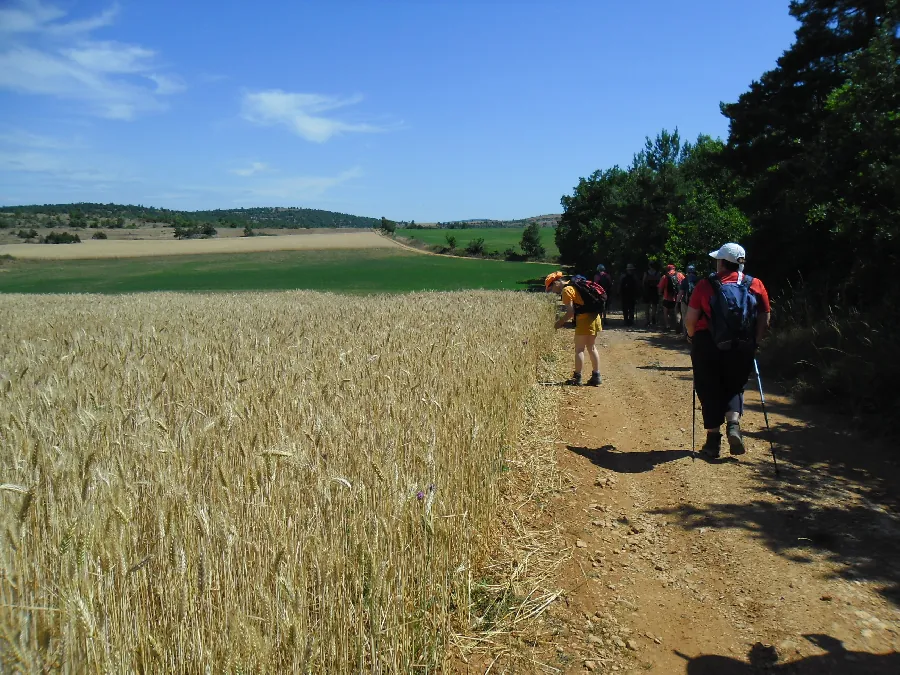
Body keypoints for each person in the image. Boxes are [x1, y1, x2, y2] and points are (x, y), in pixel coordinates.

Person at [684, 243, 771, 458]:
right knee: (735, 385)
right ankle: (733, 425)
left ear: (722, 262)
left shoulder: (706, 285)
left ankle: (713, 442)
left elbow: (690, 319)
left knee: (709, 386)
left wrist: (691, 336)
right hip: (742, 343)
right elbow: (765, 317)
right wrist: (755, 341)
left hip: (707, 343)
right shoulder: (755, 284)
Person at [546, 271, 602, 386]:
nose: (552, 291)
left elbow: (570, 312)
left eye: (551, 288)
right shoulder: (574, 284)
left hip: (584, 320)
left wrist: (559, 323)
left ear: (556, 283)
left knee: (579, 349)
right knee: (591, 347)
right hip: (595, 317)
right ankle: (596, 376)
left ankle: (577, 377)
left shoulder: (566, 291)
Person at [658, 264, 685, 332]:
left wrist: (660, 293)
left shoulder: (665, 277)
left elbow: (660, 288)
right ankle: (678, 324)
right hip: (678, 297)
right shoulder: (680, 275)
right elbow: (684, 284)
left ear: (667, 269)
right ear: (674, 268)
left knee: (666, 312)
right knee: (677, 312)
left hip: (667, 297)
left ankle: (667, 326)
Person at [679, 264, 698, 336]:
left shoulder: (685, 280)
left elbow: (681, 292)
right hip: (695, 302)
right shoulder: (698, 279)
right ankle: (694, 334)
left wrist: (678, 302)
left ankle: (685, 334)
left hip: (685, 302)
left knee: (685, 318)